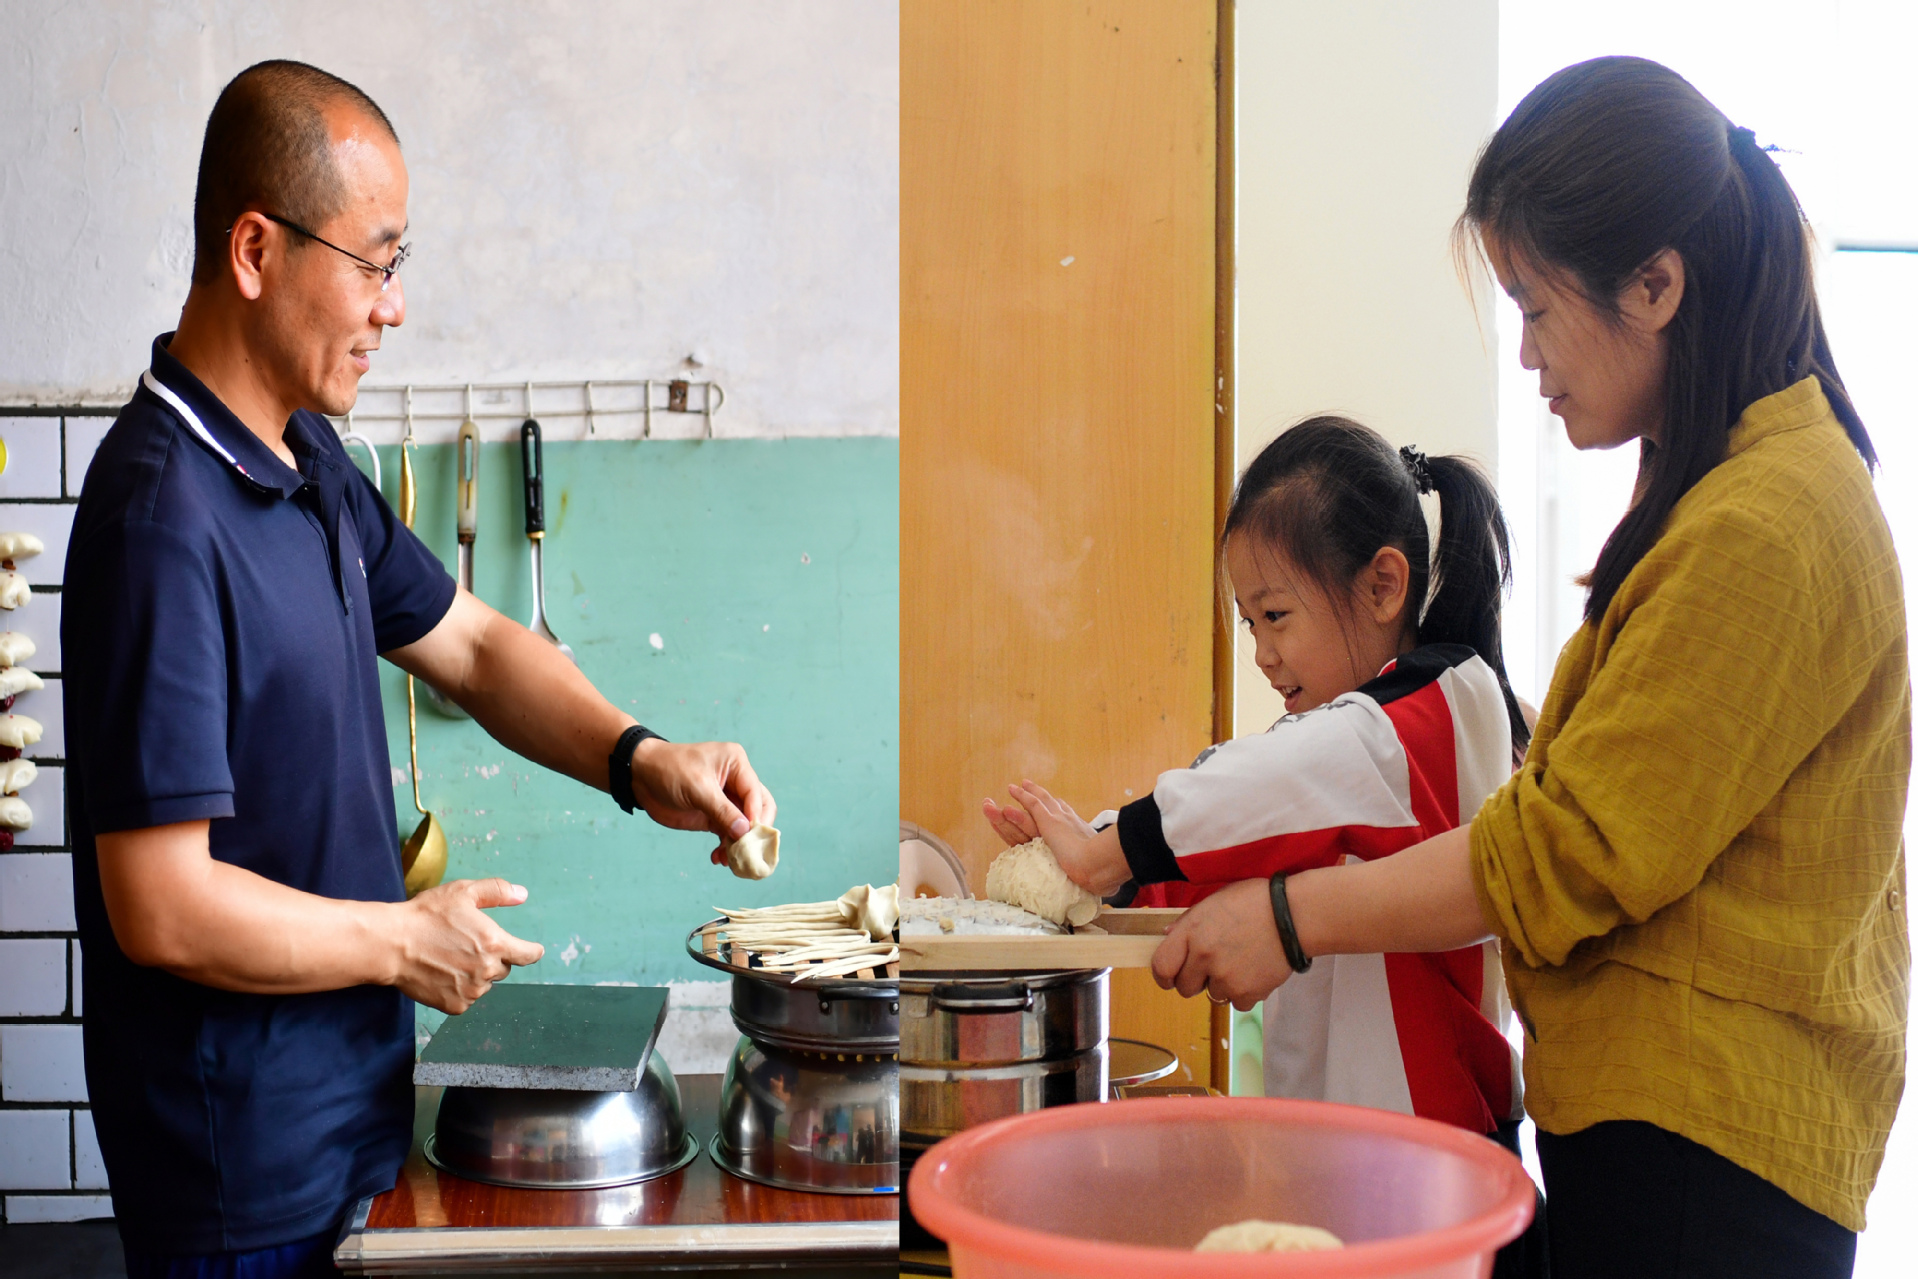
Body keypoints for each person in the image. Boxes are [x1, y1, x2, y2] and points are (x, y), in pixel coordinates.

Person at [1154, 57, 1907, 1279]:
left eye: (1536, 308)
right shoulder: (1734, 494)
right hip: (1661, 1129)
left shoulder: (1765, 522)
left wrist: (1287, 917)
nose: (1526, 358)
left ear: (1655, 283)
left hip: (1703, 1153)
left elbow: (1569, 849)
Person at [63, 61, 773, 1275]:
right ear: (254, 249)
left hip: (352, 1123)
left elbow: (479, 646)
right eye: (376, 261)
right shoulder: (159, 518)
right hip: (236, 1168)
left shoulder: (308, 461)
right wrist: (400, 942)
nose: (394, 306)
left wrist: (638, 756)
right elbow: (162, 903)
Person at [985, 417, 1547, 1277]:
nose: (1260, 652)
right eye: (1250, 623)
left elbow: (1275, 775)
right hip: (1349, 1163)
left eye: (1275, 616)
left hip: (1420, 1167)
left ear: (1383, 584)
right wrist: (1104, 886)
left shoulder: (1434, 708)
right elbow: (1243, 842)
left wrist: (1110, 848)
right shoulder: (1356, 752)